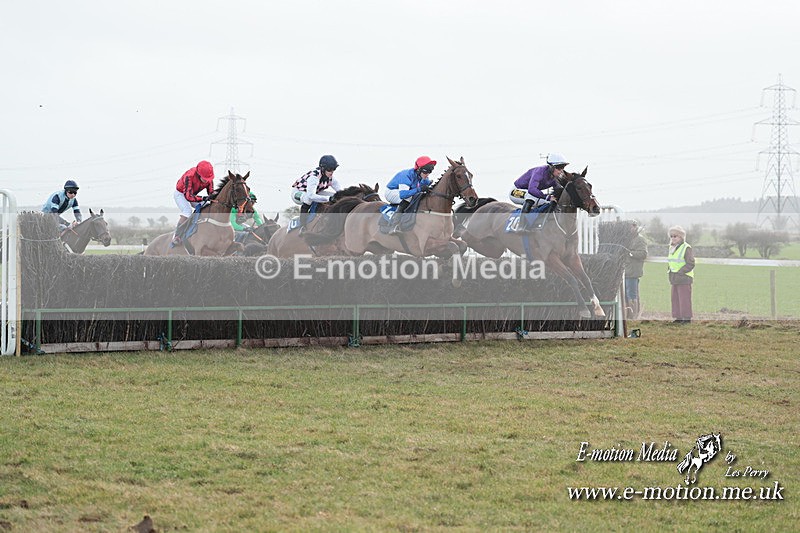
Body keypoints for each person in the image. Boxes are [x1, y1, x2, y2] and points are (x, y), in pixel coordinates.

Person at [509, 153, 568, 232]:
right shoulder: (539, 172)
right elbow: (532, 189)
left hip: (529, 193)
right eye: (559, 168)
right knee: (531, 196)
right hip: (516, 191)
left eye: (562, 168)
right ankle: (521, 226)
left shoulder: (554, 178)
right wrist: (547, 197)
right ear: (551, 167)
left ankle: (538, 223)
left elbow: (559, 189)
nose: (561, 171)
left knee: (549, 201)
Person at [384, 156, 436, 234]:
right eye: (425, 172)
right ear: (418, 169)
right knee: (408, 198)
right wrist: (419, 189)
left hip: (404, 192)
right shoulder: (406, 175)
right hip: (392, 192)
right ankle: (394, 225)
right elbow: (403, 195)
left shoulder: (421, 176)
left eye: (429, 172)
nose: (427, 174)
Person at [290, 155, 342, 228]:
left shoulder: (331, 178)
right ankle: (303, 224)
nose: (332, 172)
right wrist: (328, 199)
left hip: (314, 192)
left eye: (334, 169)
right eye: (330, 169)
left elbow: (340, 192)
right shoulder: (314, 177)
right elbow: (311, 196)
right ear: (323, 168)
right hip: (298, 193)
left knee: (336, 196)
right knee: (308, 198)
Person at [173, 160, 215, 245]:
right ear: (199, 174)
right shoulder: (189, 176)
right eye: (205, 178)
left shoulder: (209, 178)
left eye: (208, 179)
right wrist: (203, 198)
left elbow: (211, 192)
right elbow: (188, 196)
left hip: (193, 194)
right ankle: (177, 236)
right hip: (181, 194)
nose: (207, 181)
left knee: (207, 206)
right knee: (187, 211)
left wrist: (214, 197)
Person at [667, 225, 695, 324]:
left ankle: (686, 318)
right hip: (674, 278)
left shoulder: (686, 248)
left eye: (675, 236)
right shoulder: (671, 248)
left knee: (684, 299)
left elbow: (691, 263)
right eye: (671, 236)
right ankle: (678, 318)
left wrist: (680, 272)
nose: (673, 238)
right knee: (675, 299)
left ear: (681, 237)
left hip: (684, 278)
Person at [624, 220, 648, 319]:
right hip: (625, 272)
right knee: (626, 294)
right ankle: (628, 315)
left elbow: (643, 254)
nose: (630, 228)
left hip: (633, 272)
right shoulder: (626, 239)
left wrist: (630, 253)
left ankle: (634, 316)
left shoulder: (640, 240)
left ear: (635, 227)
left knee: (632, 295)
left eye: (632, 226)